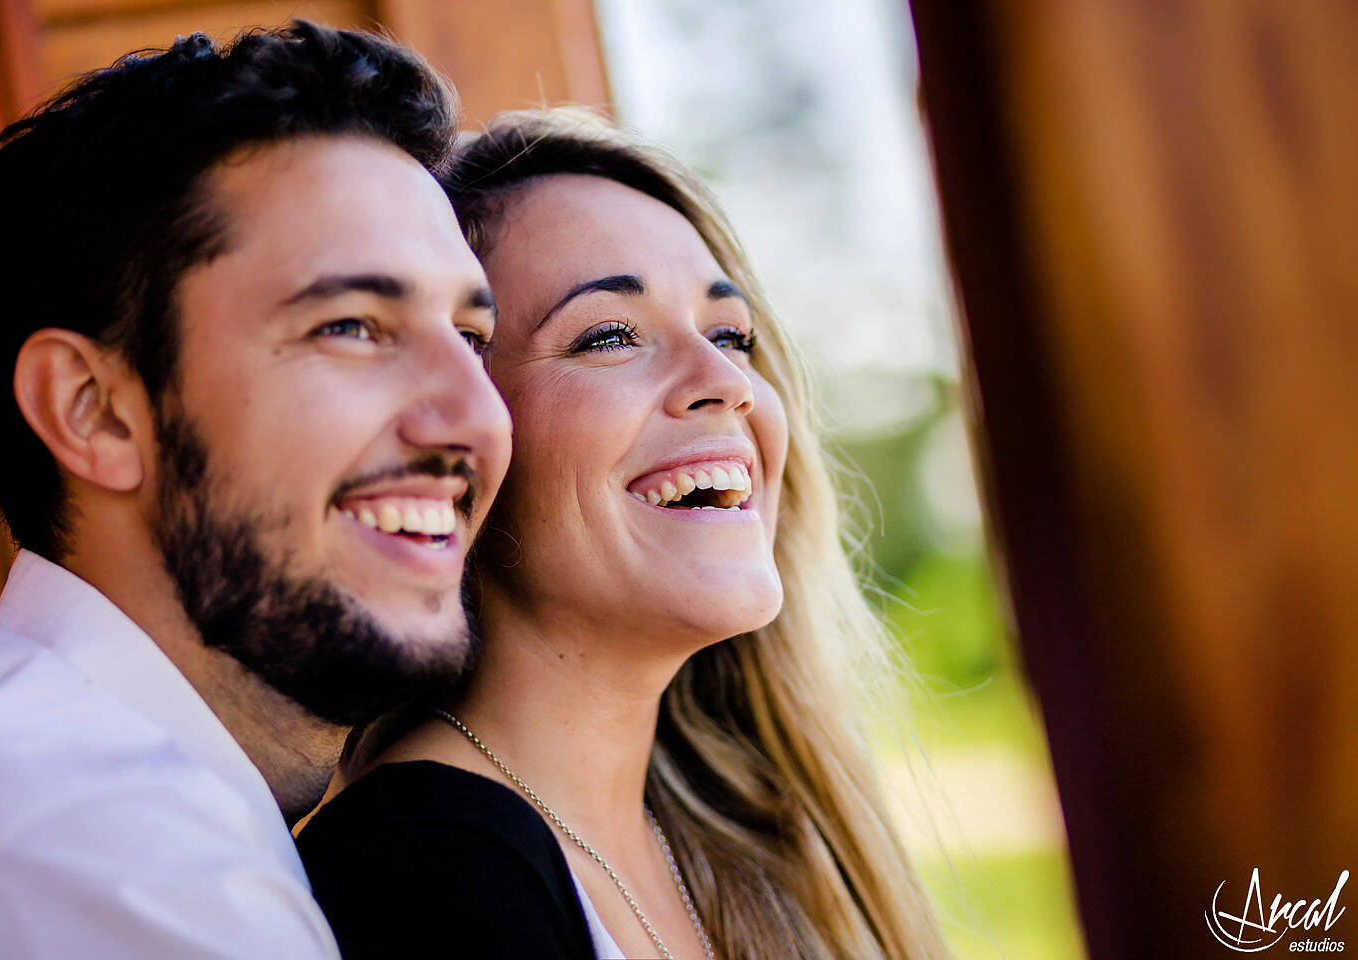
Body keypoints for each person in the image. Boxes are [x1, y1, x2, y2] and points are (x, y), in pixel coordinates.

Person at [297, 108, 951, 960]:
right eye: (609, 336)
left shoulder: (735, 839)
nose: (726, 382)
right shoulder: (421, 873)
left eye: (731, 336)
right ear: (459, 437)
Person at [0, 22, 511, 959]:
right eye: (353, 326)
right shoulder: (111, 862)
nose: (475, 419)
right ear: (95, 412)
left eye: (472, 340)